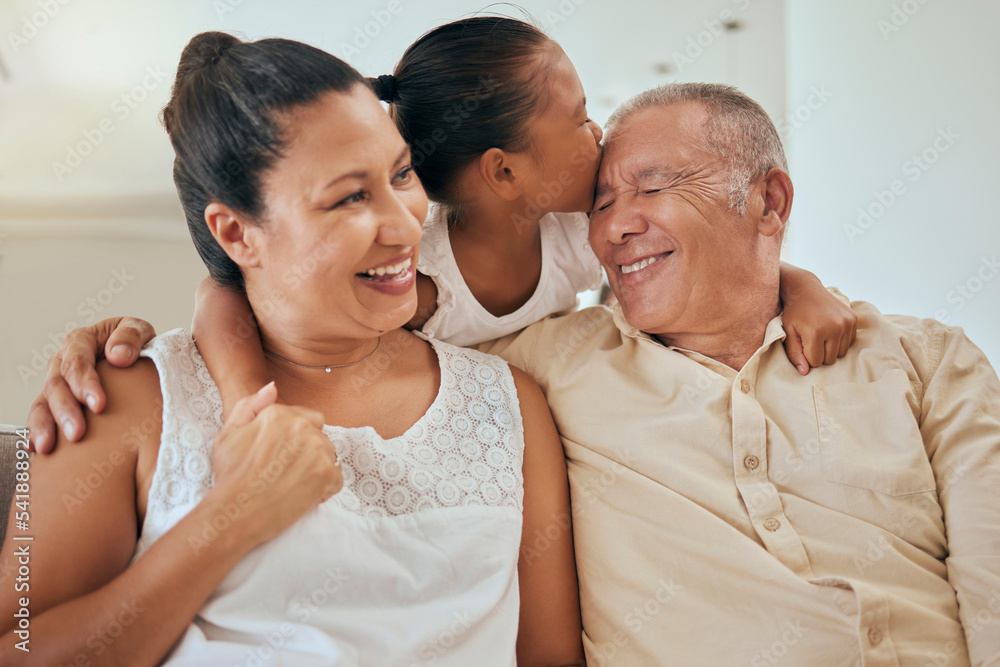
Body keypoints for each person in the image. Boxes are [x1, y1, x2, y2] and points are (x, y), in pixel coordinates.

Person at [0, 32, 584, 666]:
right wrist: (229, 519)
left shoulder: (511, 408)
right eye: (350, 197)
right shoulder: (120, 399)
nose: (404, 222)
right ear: (237, 232)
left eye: (402, 174)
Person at [27, 16, 857, 452]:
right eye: (576, 118)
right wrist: (252, 404)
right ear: (504, 174)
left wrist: (802, 286)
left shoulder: (581, 228)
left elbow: (693, 262)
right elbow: (229, 290)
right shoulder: (409, 268)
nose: (598, 128)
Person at [477, 83, 999, 664]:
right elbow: (391, 303)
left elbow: (991, 575)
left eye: (651, 187)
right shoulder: (546, 365)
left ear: (769, 202)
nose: (615, 227)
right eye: (599, 205)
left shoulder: (927, 358)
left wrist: (796, 285)